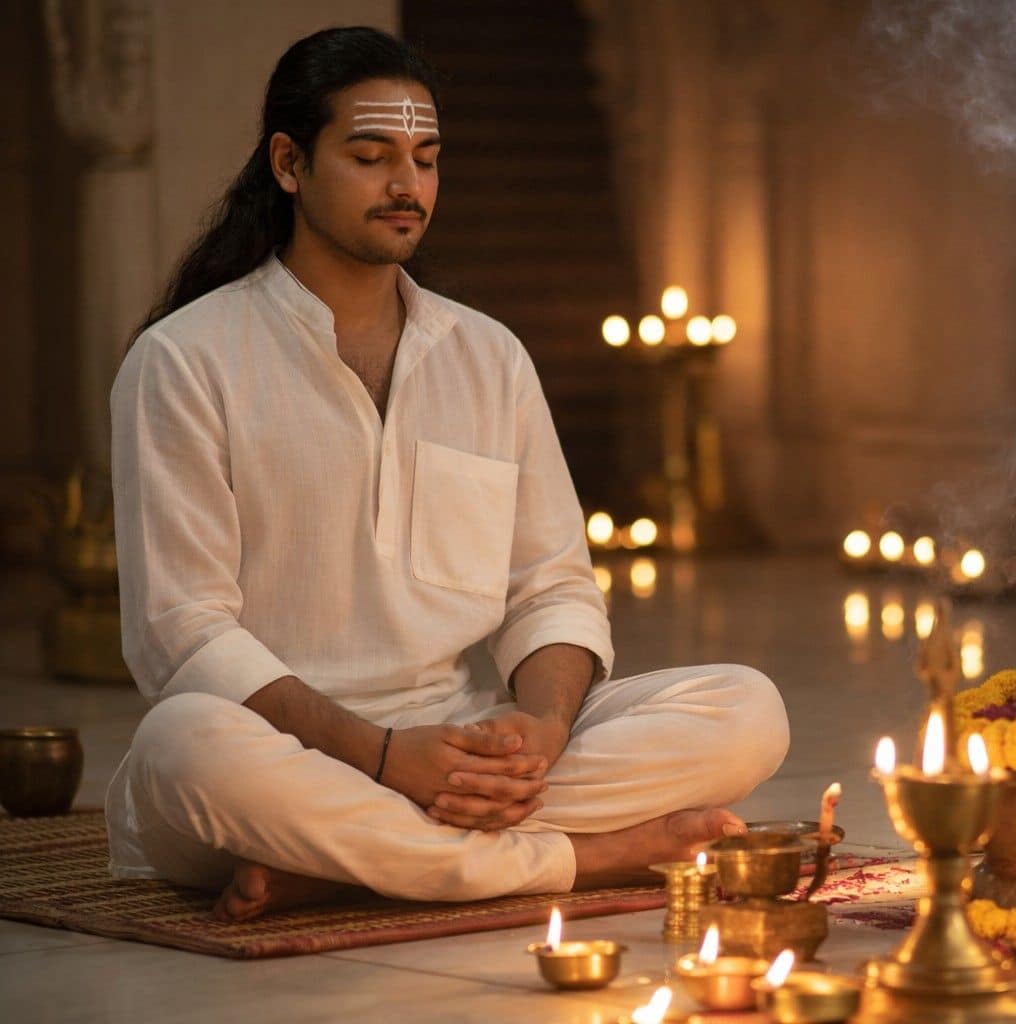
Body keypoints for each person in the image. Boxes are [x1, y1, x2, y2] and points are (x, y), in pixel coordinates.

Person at [107, 26, 789, 922]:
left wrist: (539, 733)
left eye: (426, 158)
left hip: (456, 749)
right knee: (180, 745)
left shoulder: (488, 355)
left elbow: (551, 587)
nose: (407, 186)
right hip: (275, 754)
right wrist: (384, 756)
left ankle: (356, 866)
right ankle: (584, 859)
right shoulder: (185, 360)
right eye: (370, 155)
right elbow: (183, 633)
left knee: (748, 708)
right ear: (288, 163)